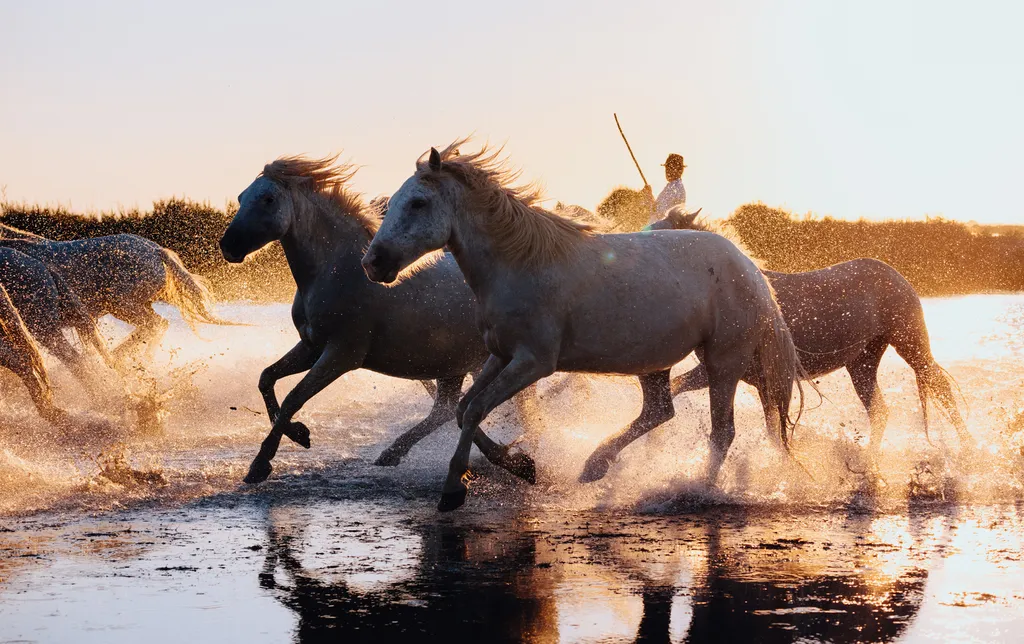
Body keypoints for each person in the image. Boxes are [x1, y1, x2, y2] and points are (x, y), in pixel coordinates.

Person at [641, 153, 687, 225]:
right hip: (658, 227)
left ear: (680, 171)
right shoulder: (671, 187)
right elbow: (657, 209)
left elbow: (659, 213)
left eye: (671, 168)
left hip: (660, 229)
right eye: (667, 168)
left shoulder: (675, 189)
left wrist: (648, 197)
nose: (667, 171)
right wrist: (649, 196)